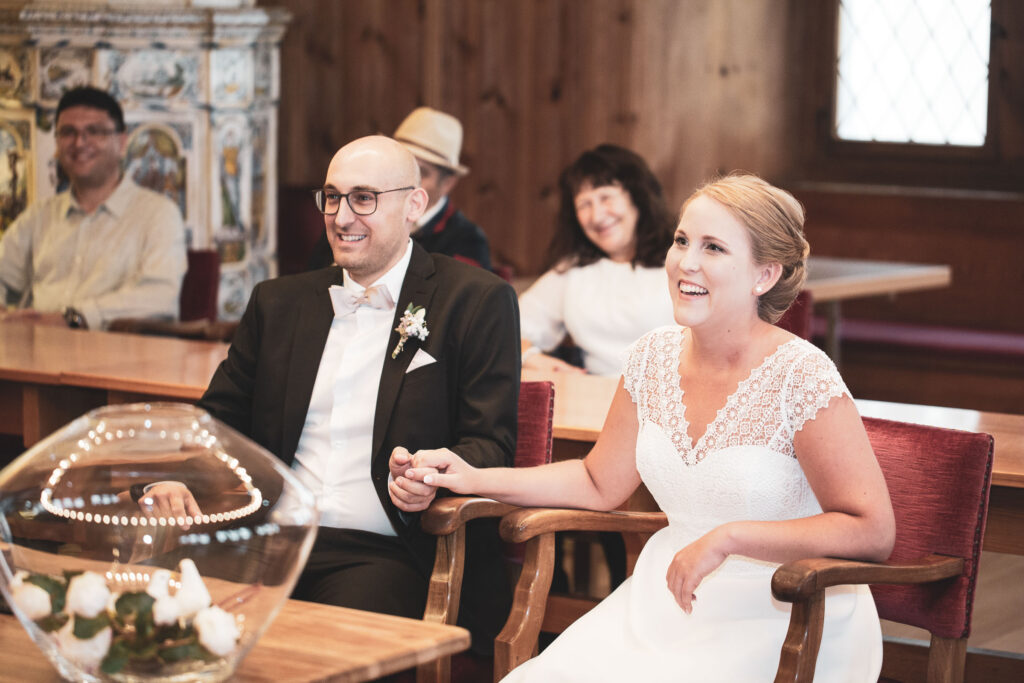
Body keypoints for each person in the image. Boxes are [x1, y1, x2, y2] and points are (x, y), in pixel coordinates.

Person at [394, 174, 896, 681]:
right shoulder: (652, 356)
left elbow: (873, 531)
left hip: (787, 613)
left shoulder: (800, 375)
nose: (686, 262)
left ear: (764, 274)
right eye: (682, 241)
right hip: (665, 604)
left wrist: (729, 539)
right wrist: (468, 475)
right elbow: (596, 482)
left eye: (714, 247)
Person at [189, 135, 519, 656]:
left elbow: (490, 444)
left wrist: (430, 475)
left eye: (363, 198)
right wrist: (173, 474)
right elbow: (217, 417)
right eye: (332, 197)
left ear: (415, 204)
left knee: (317, 654)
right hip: (270, 542)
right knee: (153, 611)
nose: (342, 216)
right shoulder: (279, 303)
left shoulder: (475, 301)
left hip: (390, 550)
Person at [0, 86, 186, 330]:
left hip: (121, 360)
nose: (79, 142)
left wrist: (73, 319)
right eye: (68, 132)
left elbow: (160, 297)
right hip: (35, 354)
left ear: (121, 142)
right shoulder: (39, 215)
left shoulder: (158, 214)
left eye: (94, 131)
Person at [519, 144, 676, 377]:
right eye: (584, 204)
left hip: (675, 404)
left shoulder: (682, 263)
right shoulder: (573, 271)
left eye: (606, 197)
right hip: (594, 401)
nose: (597, 216)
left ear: (638, 197)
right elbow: (507, 328)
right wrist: (534, 360)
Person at [308, 107, 492, 271]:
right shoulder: (347, 217)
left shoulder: (466, 240)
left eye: (421, 172)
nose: (407, 178)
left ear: (447, 183)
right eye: (400, 167)